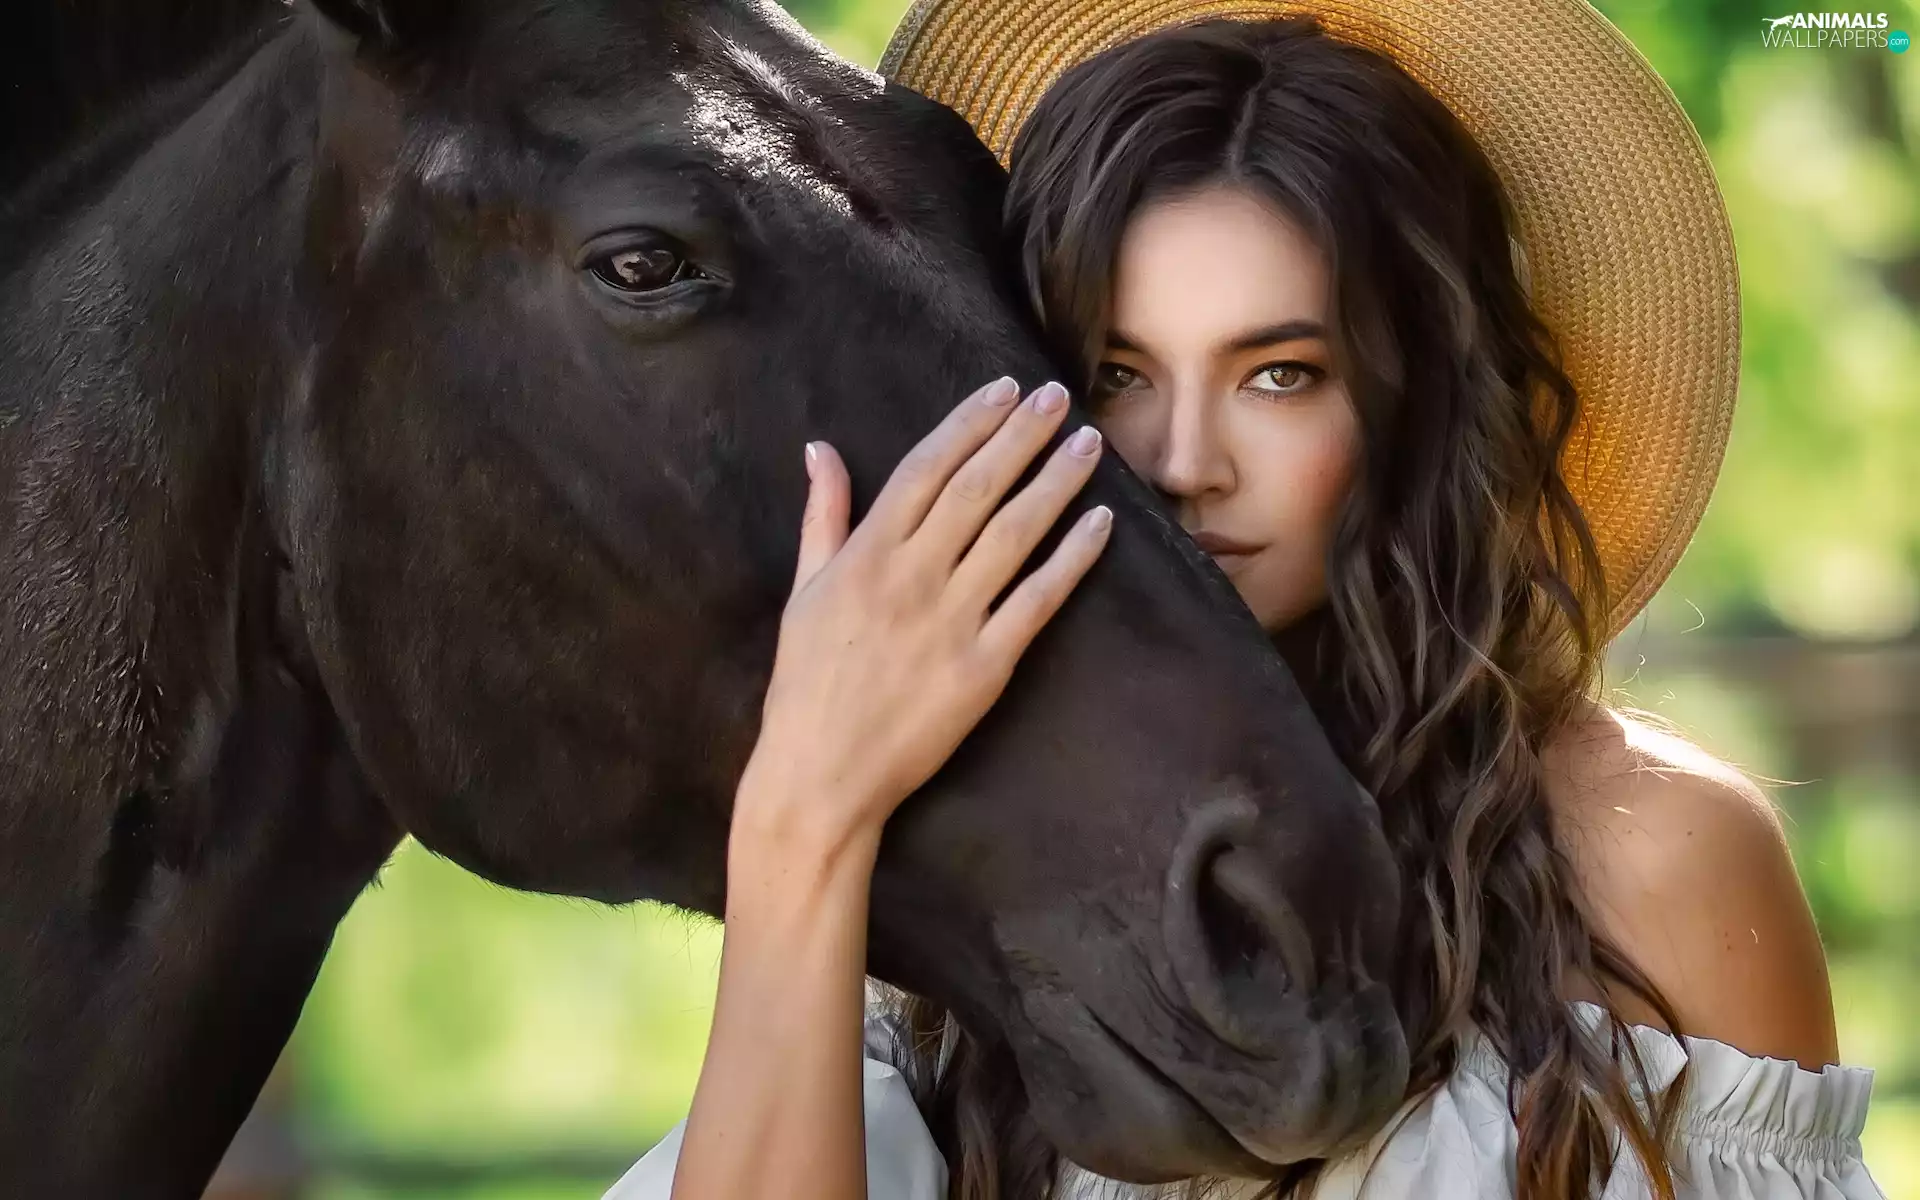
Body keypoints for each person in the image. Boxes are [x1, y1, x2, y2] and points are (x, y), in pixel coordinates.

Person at [607, 3, 1884, 1198]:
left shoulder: (1655, 856)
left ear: (1412, 412)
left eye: (1278, 374)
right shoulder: (951, 852)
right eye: (1117, 372)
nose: (1182, 463)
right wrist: (806, 814)